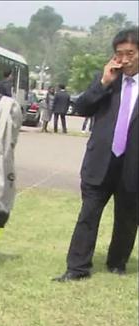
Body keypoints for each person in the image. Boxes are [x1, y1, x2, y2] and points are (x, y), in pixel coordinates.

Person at [54, 28, 138, 282]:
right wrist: (103, 83)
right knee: (88, 215)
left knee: (127, 218)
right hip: (100, 161)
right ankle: (77, 267)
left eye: (130, 53)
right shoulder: (106, 81)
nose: (124, 60)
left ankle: (117, 262)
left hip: (132, 165)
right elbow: (81, 107)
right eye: (119, 54)